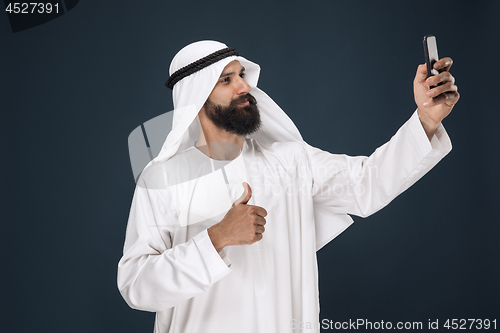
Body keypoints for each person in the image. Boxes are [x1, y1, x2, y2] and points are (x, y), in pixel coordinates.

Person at [117, 41, 459, 333]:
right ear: (196, 97)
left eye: (242, 76)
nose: (244, 87)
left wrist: (426, 119)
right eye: (227, 80)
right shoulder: (161, 178)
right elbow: (137, 285)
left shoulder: (291, 160)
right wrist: (217, 237)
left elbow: (368, 182)